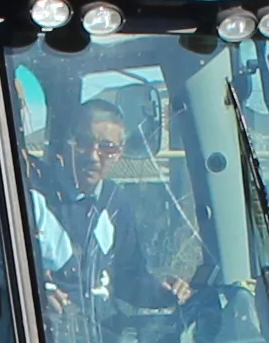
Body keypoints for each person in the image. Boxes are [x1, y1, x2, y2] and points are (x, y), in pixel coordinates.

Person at [28, 99, 197, 312]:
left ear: (119, 152)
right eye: (83, 142)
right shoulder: (32, 196)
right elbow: (2, 270)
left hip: (101, 330)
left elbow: (128, 278)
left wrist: (164, 292)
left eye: (106, 147)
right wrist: (36, 293)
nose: (92, 156)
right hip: (40, 327)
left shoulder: (115, 202)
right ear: (68, 143)